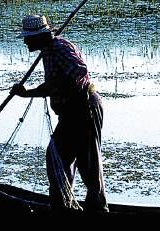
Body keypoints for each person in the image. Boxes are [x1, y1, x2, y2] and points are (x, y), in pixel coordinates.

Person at [10, 14, 108, 213]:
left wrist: (33, 92)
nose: (24, 41)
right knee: (57, 157)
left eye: (27, 37)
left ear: (39, 37)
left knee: (87, 161)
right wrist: (32, 92)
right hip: (69, 112)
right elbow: (54, 84)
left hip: (83, 107)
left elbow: (79, 72)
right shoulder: (48, 51)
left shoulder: (60, 48)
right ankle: (63, 207)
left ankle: (97, 210)